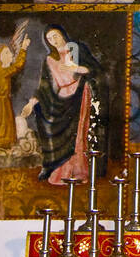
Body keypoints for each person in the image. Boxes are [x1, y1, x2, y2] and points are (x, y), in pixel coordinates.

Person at [24, 25, 103, 184]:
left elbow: (95, 69)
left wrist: (76, 68)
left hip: (79, 94)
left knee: (77, 133)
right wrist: (31, 103)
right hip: (59, 98)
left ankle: (76, 170)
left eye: (55, 36)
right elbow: (45, 85)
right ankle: (55, 167)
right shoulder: (50, 59)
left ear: (63, 34)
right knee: (45, 117)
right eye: (50, 39)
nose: (54, 40)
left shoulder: (76, 49)